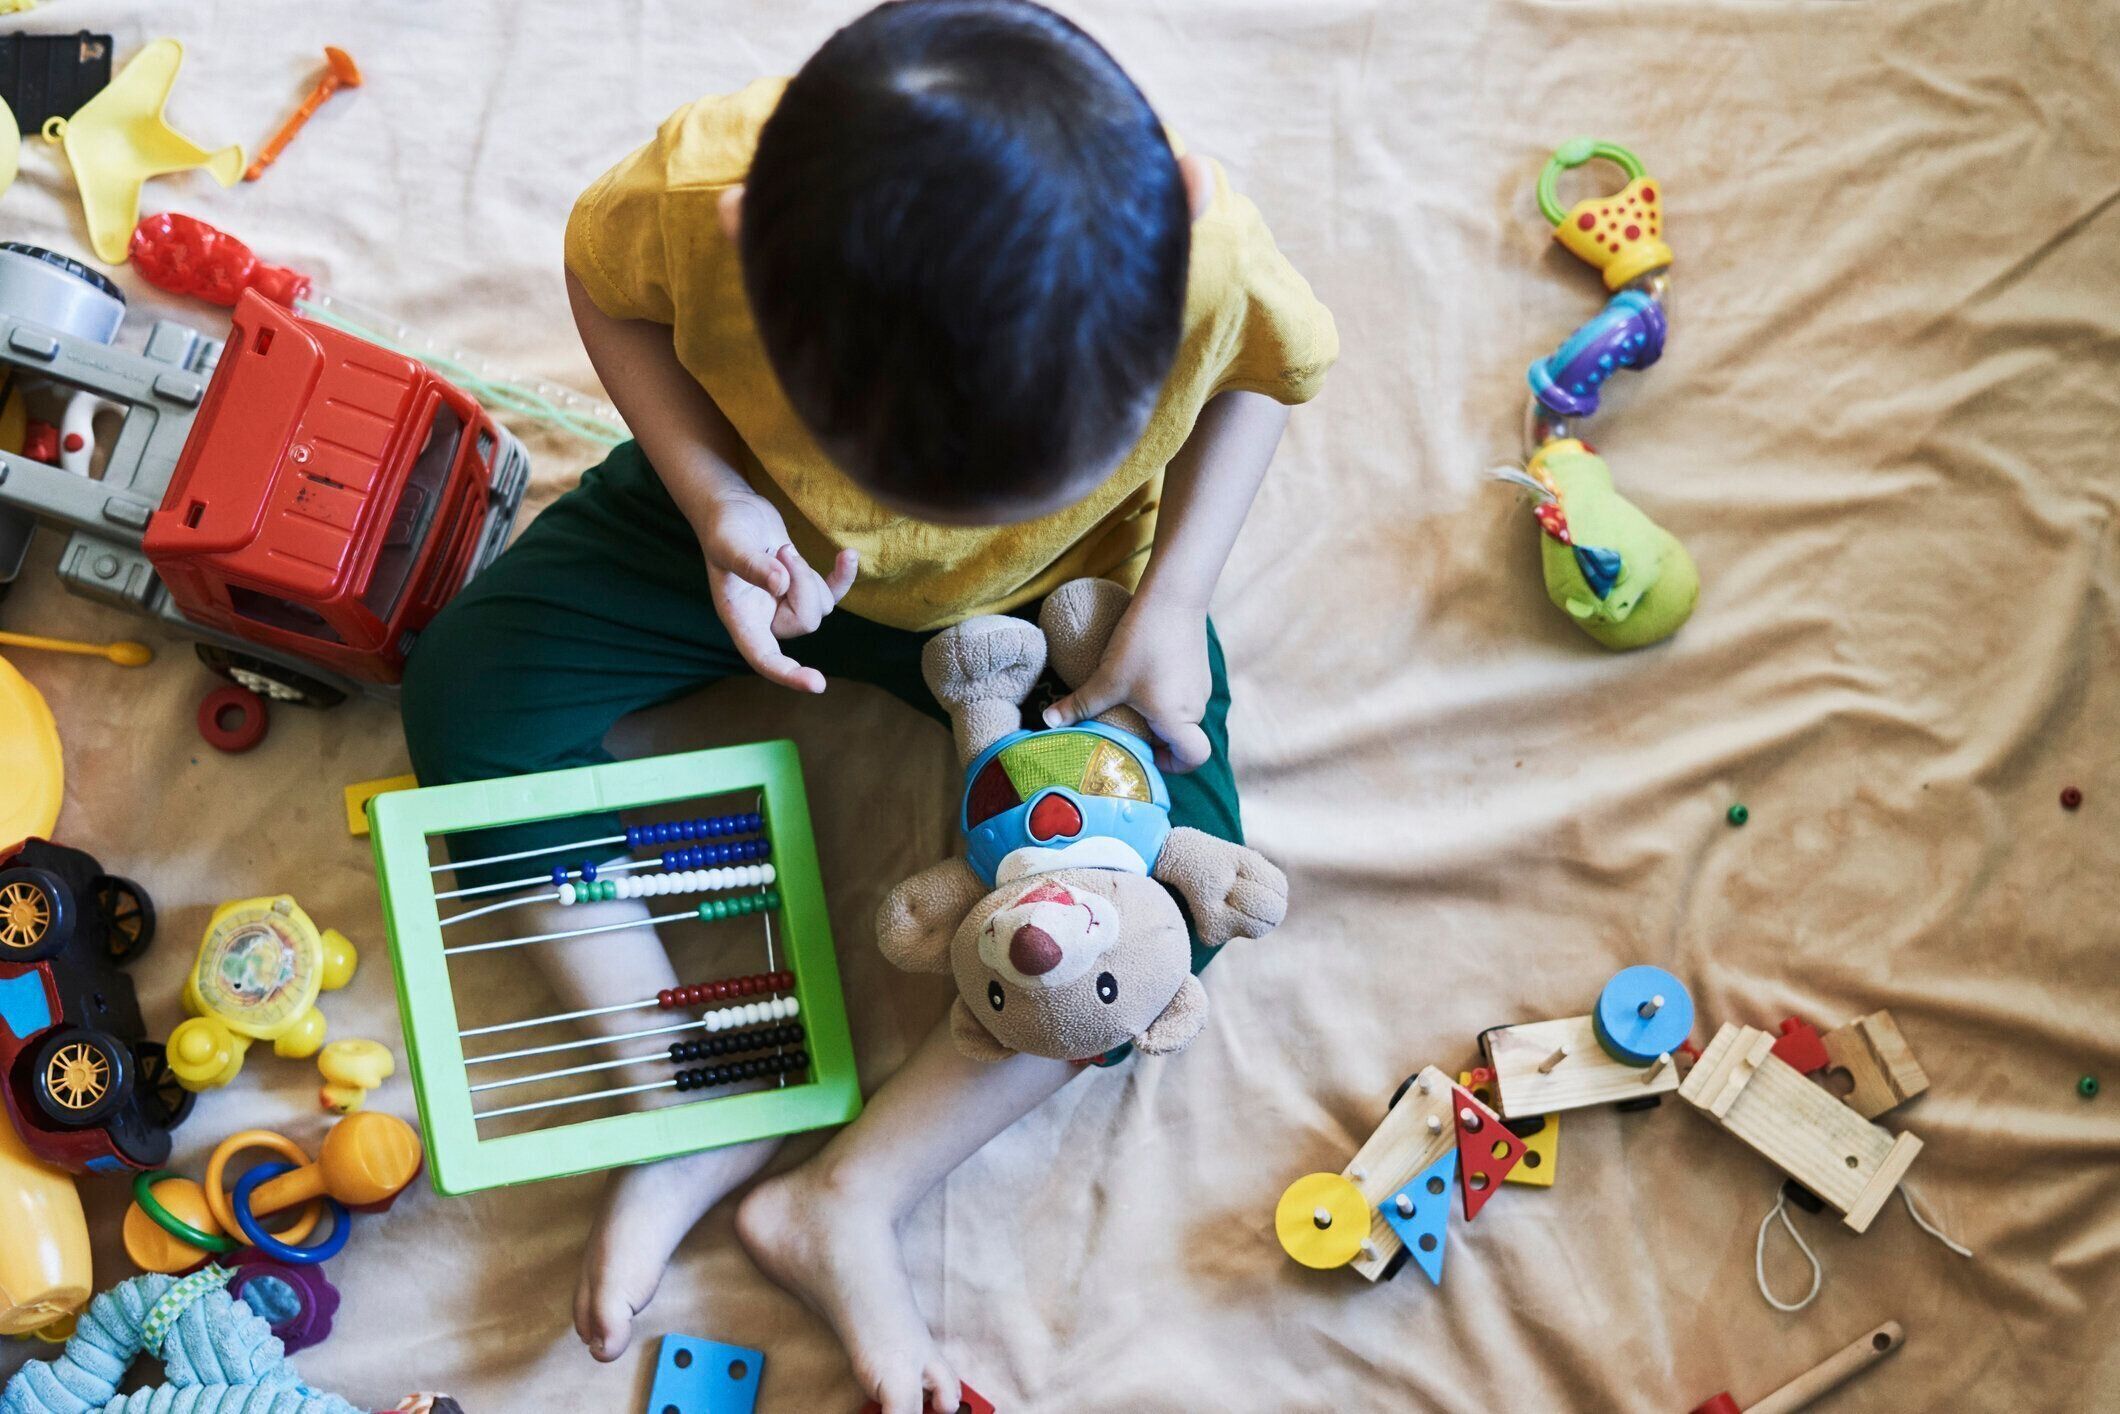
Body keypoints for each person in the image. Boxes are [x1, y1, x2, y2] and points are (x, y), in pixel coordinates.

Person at [400, 3, 1335, 1409]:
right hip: (752, 543)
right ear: (738, 242)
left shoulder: (1194, 248)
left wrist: (1174, 599)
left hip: (1059, 603)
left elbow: (1265, 386)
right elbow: (604, 292)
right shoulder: (693, 198)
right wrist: (718, 499)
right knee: (468, 691)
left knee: (1164, 920)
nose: (921, 525)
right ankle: (703, 1078)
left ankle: (848, 1195)